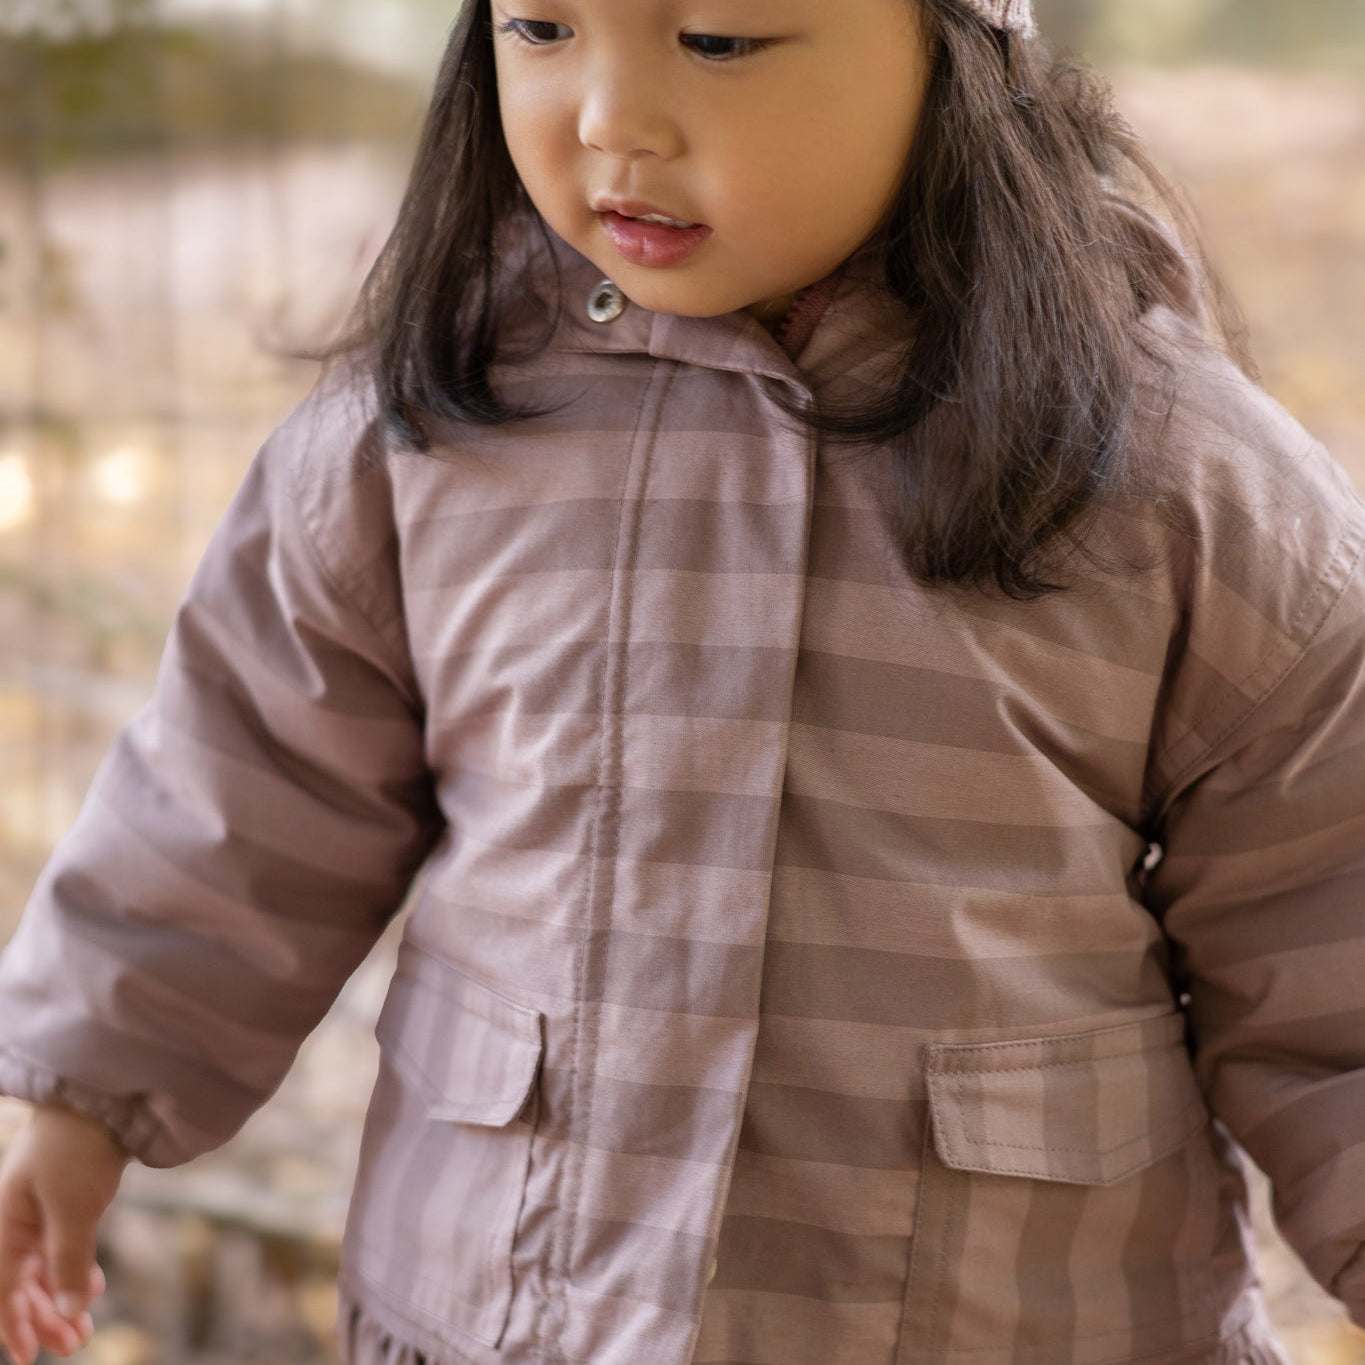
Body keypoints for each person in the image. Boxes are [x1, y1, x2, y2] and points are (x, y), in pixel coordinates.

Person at [1, 0, 1363, 1362]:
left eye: (714, 40)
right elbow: (241, 797)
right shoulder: (427, 430)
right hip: (502, 1319)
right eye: (539, 27)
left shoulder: (1170, 477)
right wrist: (76, 1096)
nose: (605, 118)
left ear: (957, 53)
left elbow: (1329, 929)